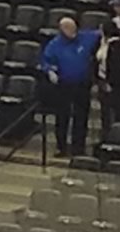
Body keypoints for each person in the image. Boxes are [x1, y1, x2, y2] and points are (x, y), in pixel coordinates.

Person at [40, 15, 101, 157]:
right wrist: (50, 71)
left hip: (82, 85)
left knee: (81, 116)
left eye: (73, 28)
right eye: (67, 28)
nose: (71, 31)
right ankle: (61, 147)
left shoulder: (86, 37)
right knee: (62, 116)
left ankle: (78, 147)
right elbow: (46, 61)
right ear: (61, 30)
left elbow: (101, 33)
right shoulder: (54, 45)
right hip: (64, 85)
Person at [96, 18, 120, 135]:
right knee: (105, 115)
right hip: (104, 82)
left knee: (117, 113)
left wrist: (110, 83)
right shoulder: (104, 44)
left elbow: (116, 68)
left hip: (115, 85)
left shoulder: (117, 46)